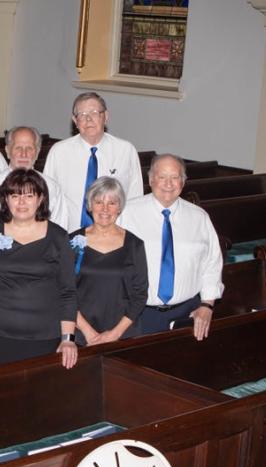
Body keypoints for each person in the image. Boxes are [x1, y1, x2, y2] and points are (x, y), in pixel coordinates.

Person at [0, 169, 78, 369]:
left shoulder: (58, 237)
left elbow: (68, 292)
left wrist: (68, 339)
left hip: (44, 336)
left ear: (41, 199)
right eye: (15, 195)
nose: (21, 202)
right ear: (5, 199)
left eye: (29, 195)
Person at [118, 154, 223, 339]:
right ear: (151, 180)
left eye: (175, 177)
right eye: (162, 177)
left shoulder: (199, 217)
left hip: (187, 313)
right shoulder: (127, 213)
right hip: (138, 315)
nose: (168, 184)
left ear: (183, 182)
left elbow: (212, 263)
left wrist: (207, 305)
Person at [43, 91, 144, 228]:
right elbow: (48, 197)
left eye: (95, 112)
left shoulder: (125, 150)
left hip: (112, 235)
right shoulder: (59, 151)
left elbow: (135, 199)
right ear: (75, 121)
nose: (88, 119)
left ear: (106, 117)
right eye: (82, 115)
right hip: (68, 233)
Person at [69, 177, 148, 345]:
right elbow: (63, 291)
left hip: (124, 334)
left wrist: (114, 334)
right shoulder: (71, 241)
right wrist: (88, 333)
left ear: (119, 207)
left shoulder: (135, 244)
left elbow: (140, 295)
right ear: (90, 206)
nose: (105, 209)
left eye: (112, 203)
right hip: (80, 333)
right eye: (98, 202)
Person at [0, 126, 76, 235]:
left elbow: (59, 230)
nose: (24, 154)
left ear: (38, 152)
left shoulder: (52, 188)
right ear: (7, 151)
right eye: (18, 148)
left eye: (29, 148)